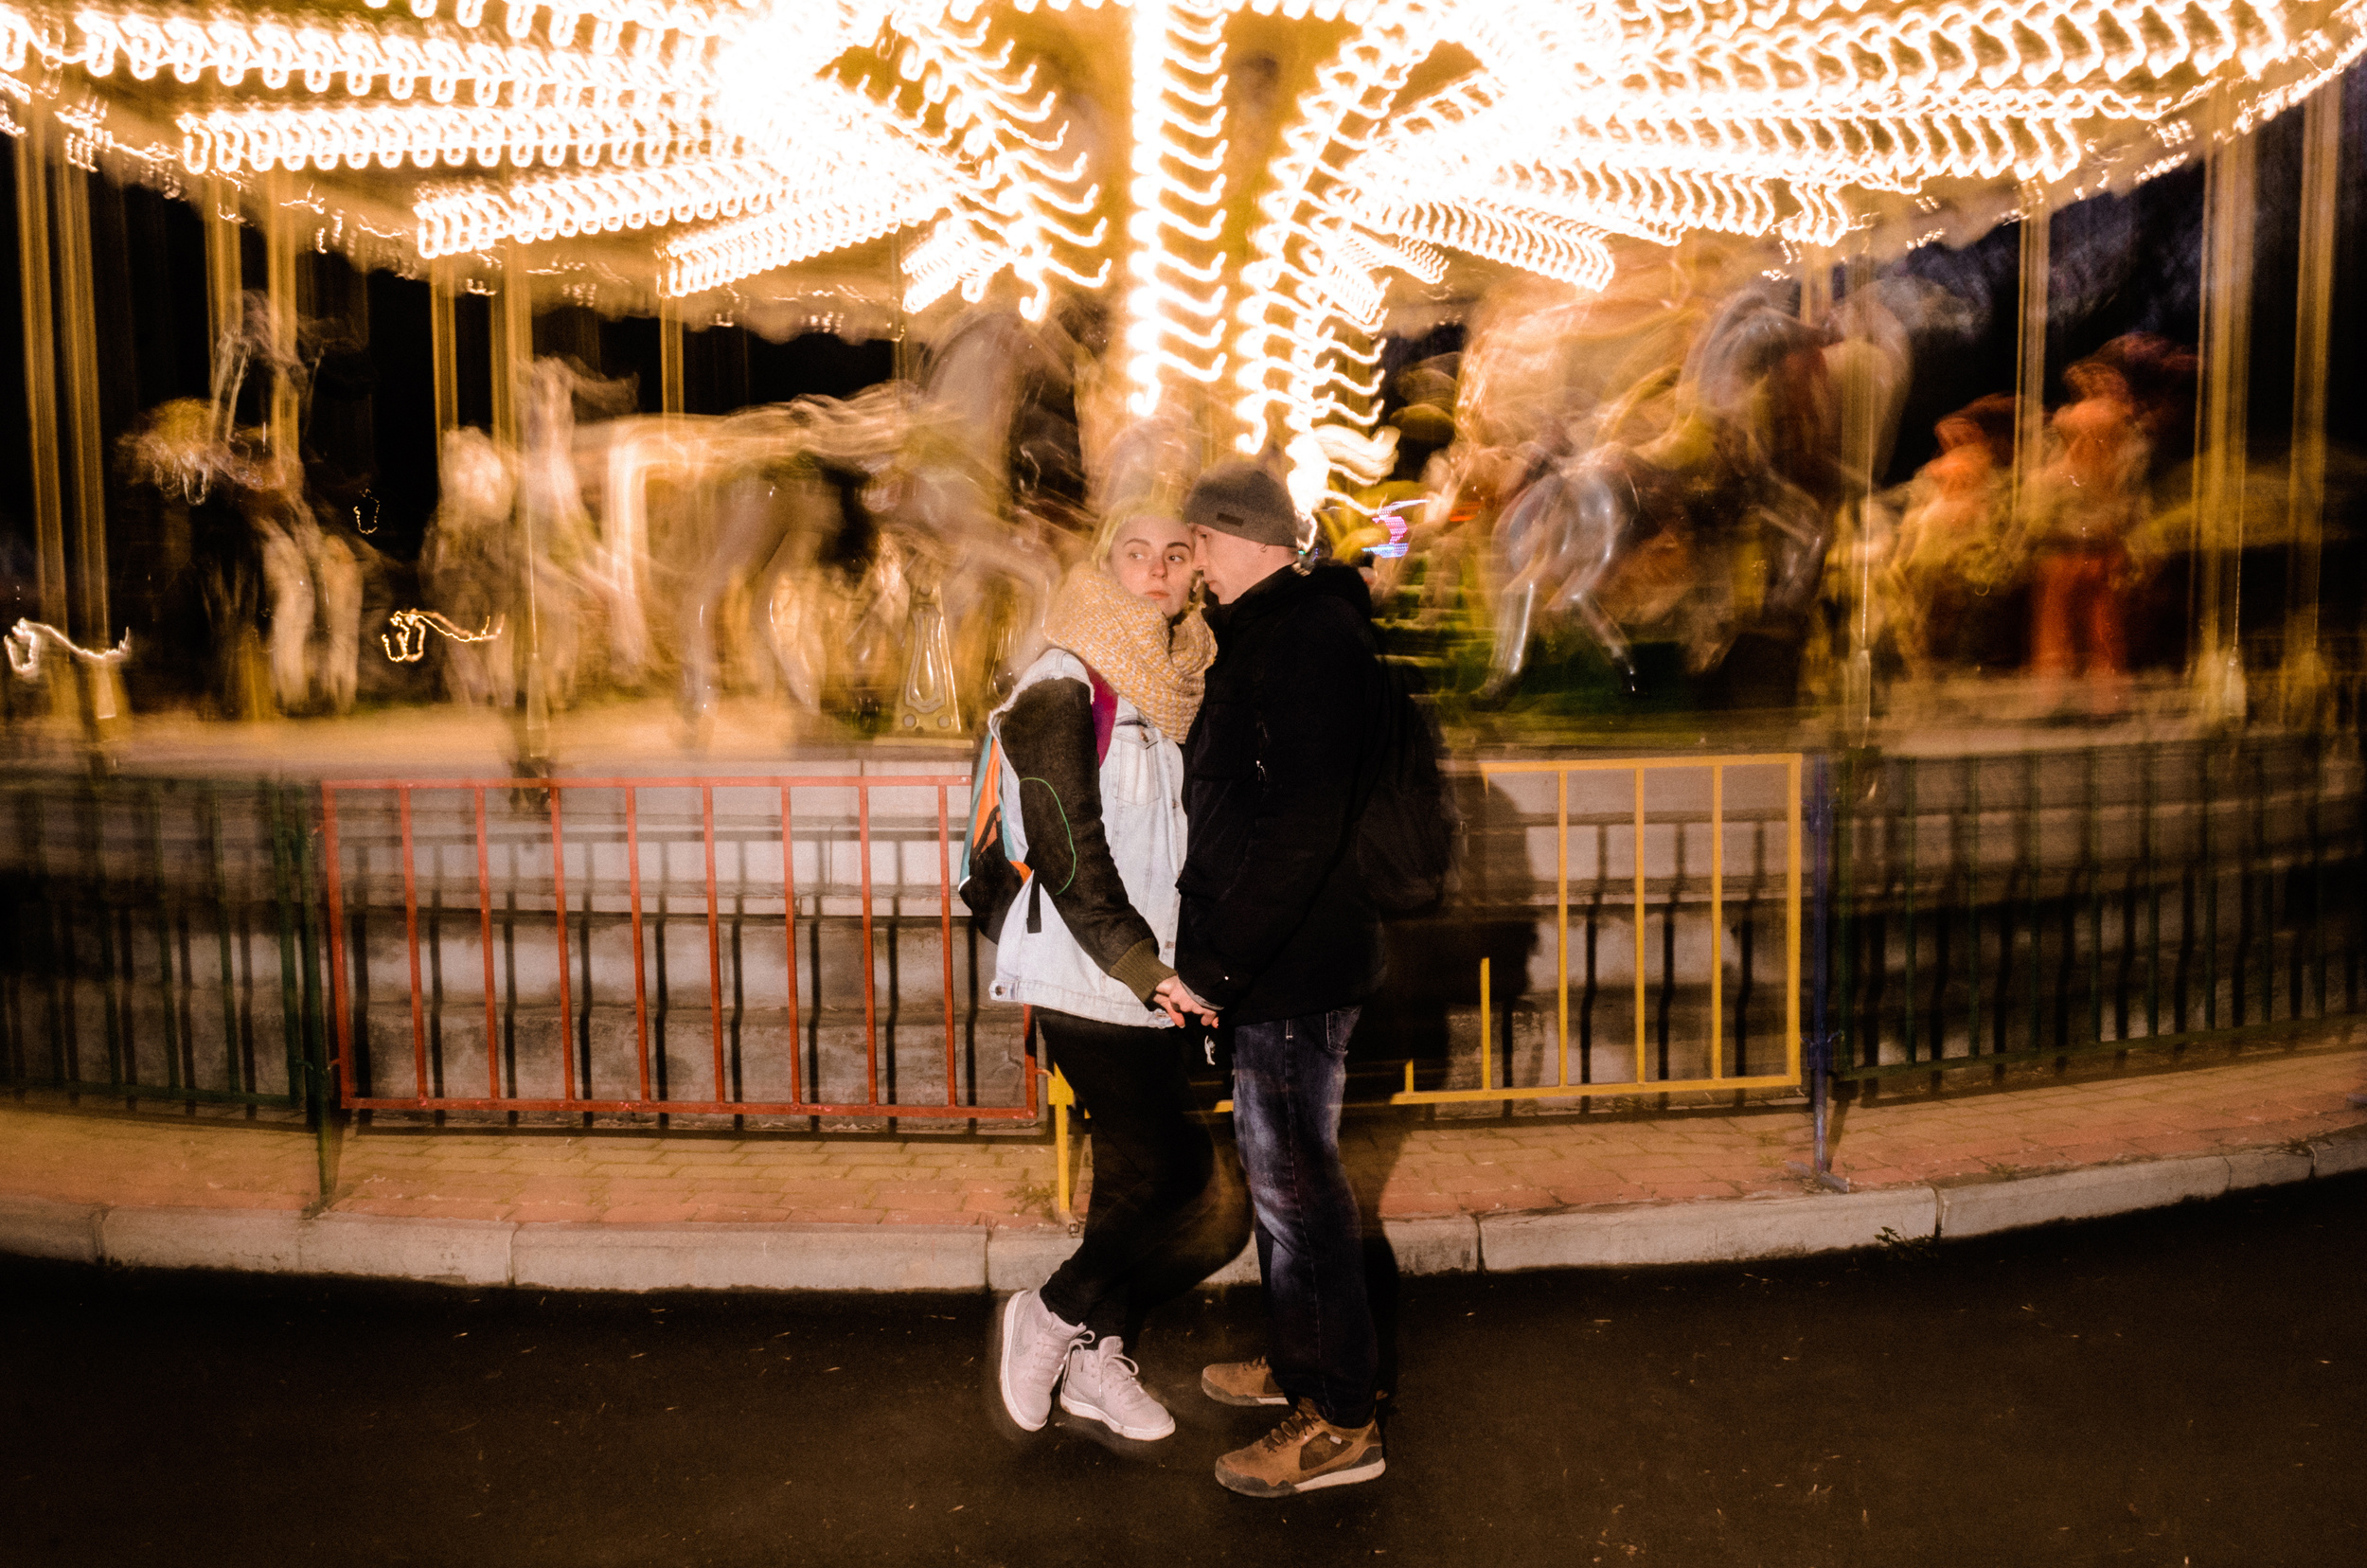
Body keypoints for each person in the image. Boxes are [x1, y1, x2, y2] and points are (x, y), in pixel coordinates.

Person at [1173, 458, 1390, 1498]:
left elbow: (1298, 827)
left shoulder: (1307, 642)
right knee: (1280, 1185)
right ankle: (1302, 1364)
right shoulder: (1272, 631)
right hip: (1277, 960)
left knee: (1299, 1191)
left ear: (1251, 539)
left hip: (1291, 967)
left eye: (1203, 544)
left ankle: (1340, 1417)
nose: (1193, 564)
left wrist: (1218, 962)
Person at [990, 508, 1220, 1442]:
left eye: (1176, 555)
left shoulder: (1180, 685)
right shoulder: (1060, 687)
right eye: (1138, 553)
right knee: (1177, 1171)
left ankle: (1095, 1358)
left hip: (1158, 981)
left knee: (1129, 1183)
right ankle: (1046, 1317)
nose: (1158, 571)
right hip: (1087, 979)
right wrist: (1144, 970)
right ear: (1105, 566)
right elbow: (1067, 851)